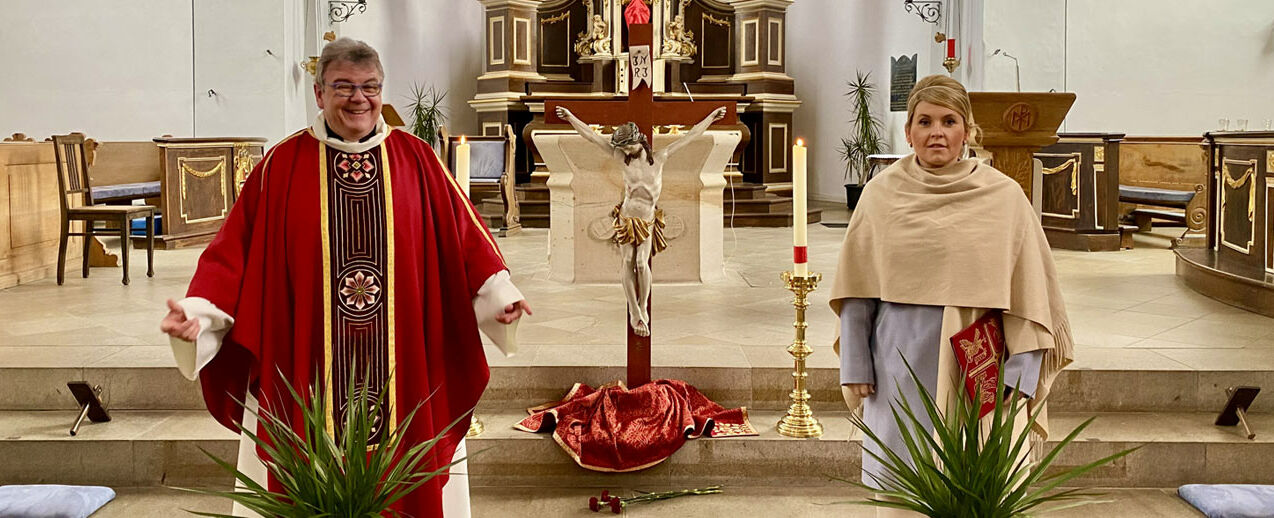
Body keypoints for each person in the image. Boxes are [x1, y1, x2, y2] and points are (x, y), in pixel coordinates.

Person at [159, 38, 531, 518]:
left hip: (405, 369)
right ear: (318, 93)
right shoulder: (281, 166)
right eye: (344, 87)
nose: (360, 98)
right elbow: (233, 254)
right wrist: (199, 314)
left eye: (370, 87)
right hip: (306, 360)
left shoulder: (417, 159)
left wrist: (497, 295)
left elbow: (465, 240)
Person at [828, 75, 1073, 515]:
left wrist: (1020, 376)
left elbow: (1030, 294)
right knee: (903, 489)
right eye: (924, 121)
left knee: (975, 490)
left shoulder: (1004, 197)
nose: (936, 131)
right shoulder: (881, 194)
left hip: (979, 359)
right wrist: (855, 364)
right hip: (899, 359)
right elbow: (857, 288)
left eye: (948, 120)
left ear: (968, 130)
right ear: (908, 132)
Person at [555, 106, 726, 336]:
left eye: (628, 145)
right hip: (626, 217)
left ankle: (643, 304)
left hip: (647, 220)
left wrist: (712, 118)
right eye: (622, 147)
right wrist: (571, 118)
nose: (625, 150)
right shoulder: (621, 158)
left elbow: (691, 136)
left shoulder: (660, 158)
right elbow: (593, 137)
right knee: (627, 261)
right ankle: (633, 310)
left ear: (640, 140)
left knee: (641, 263)